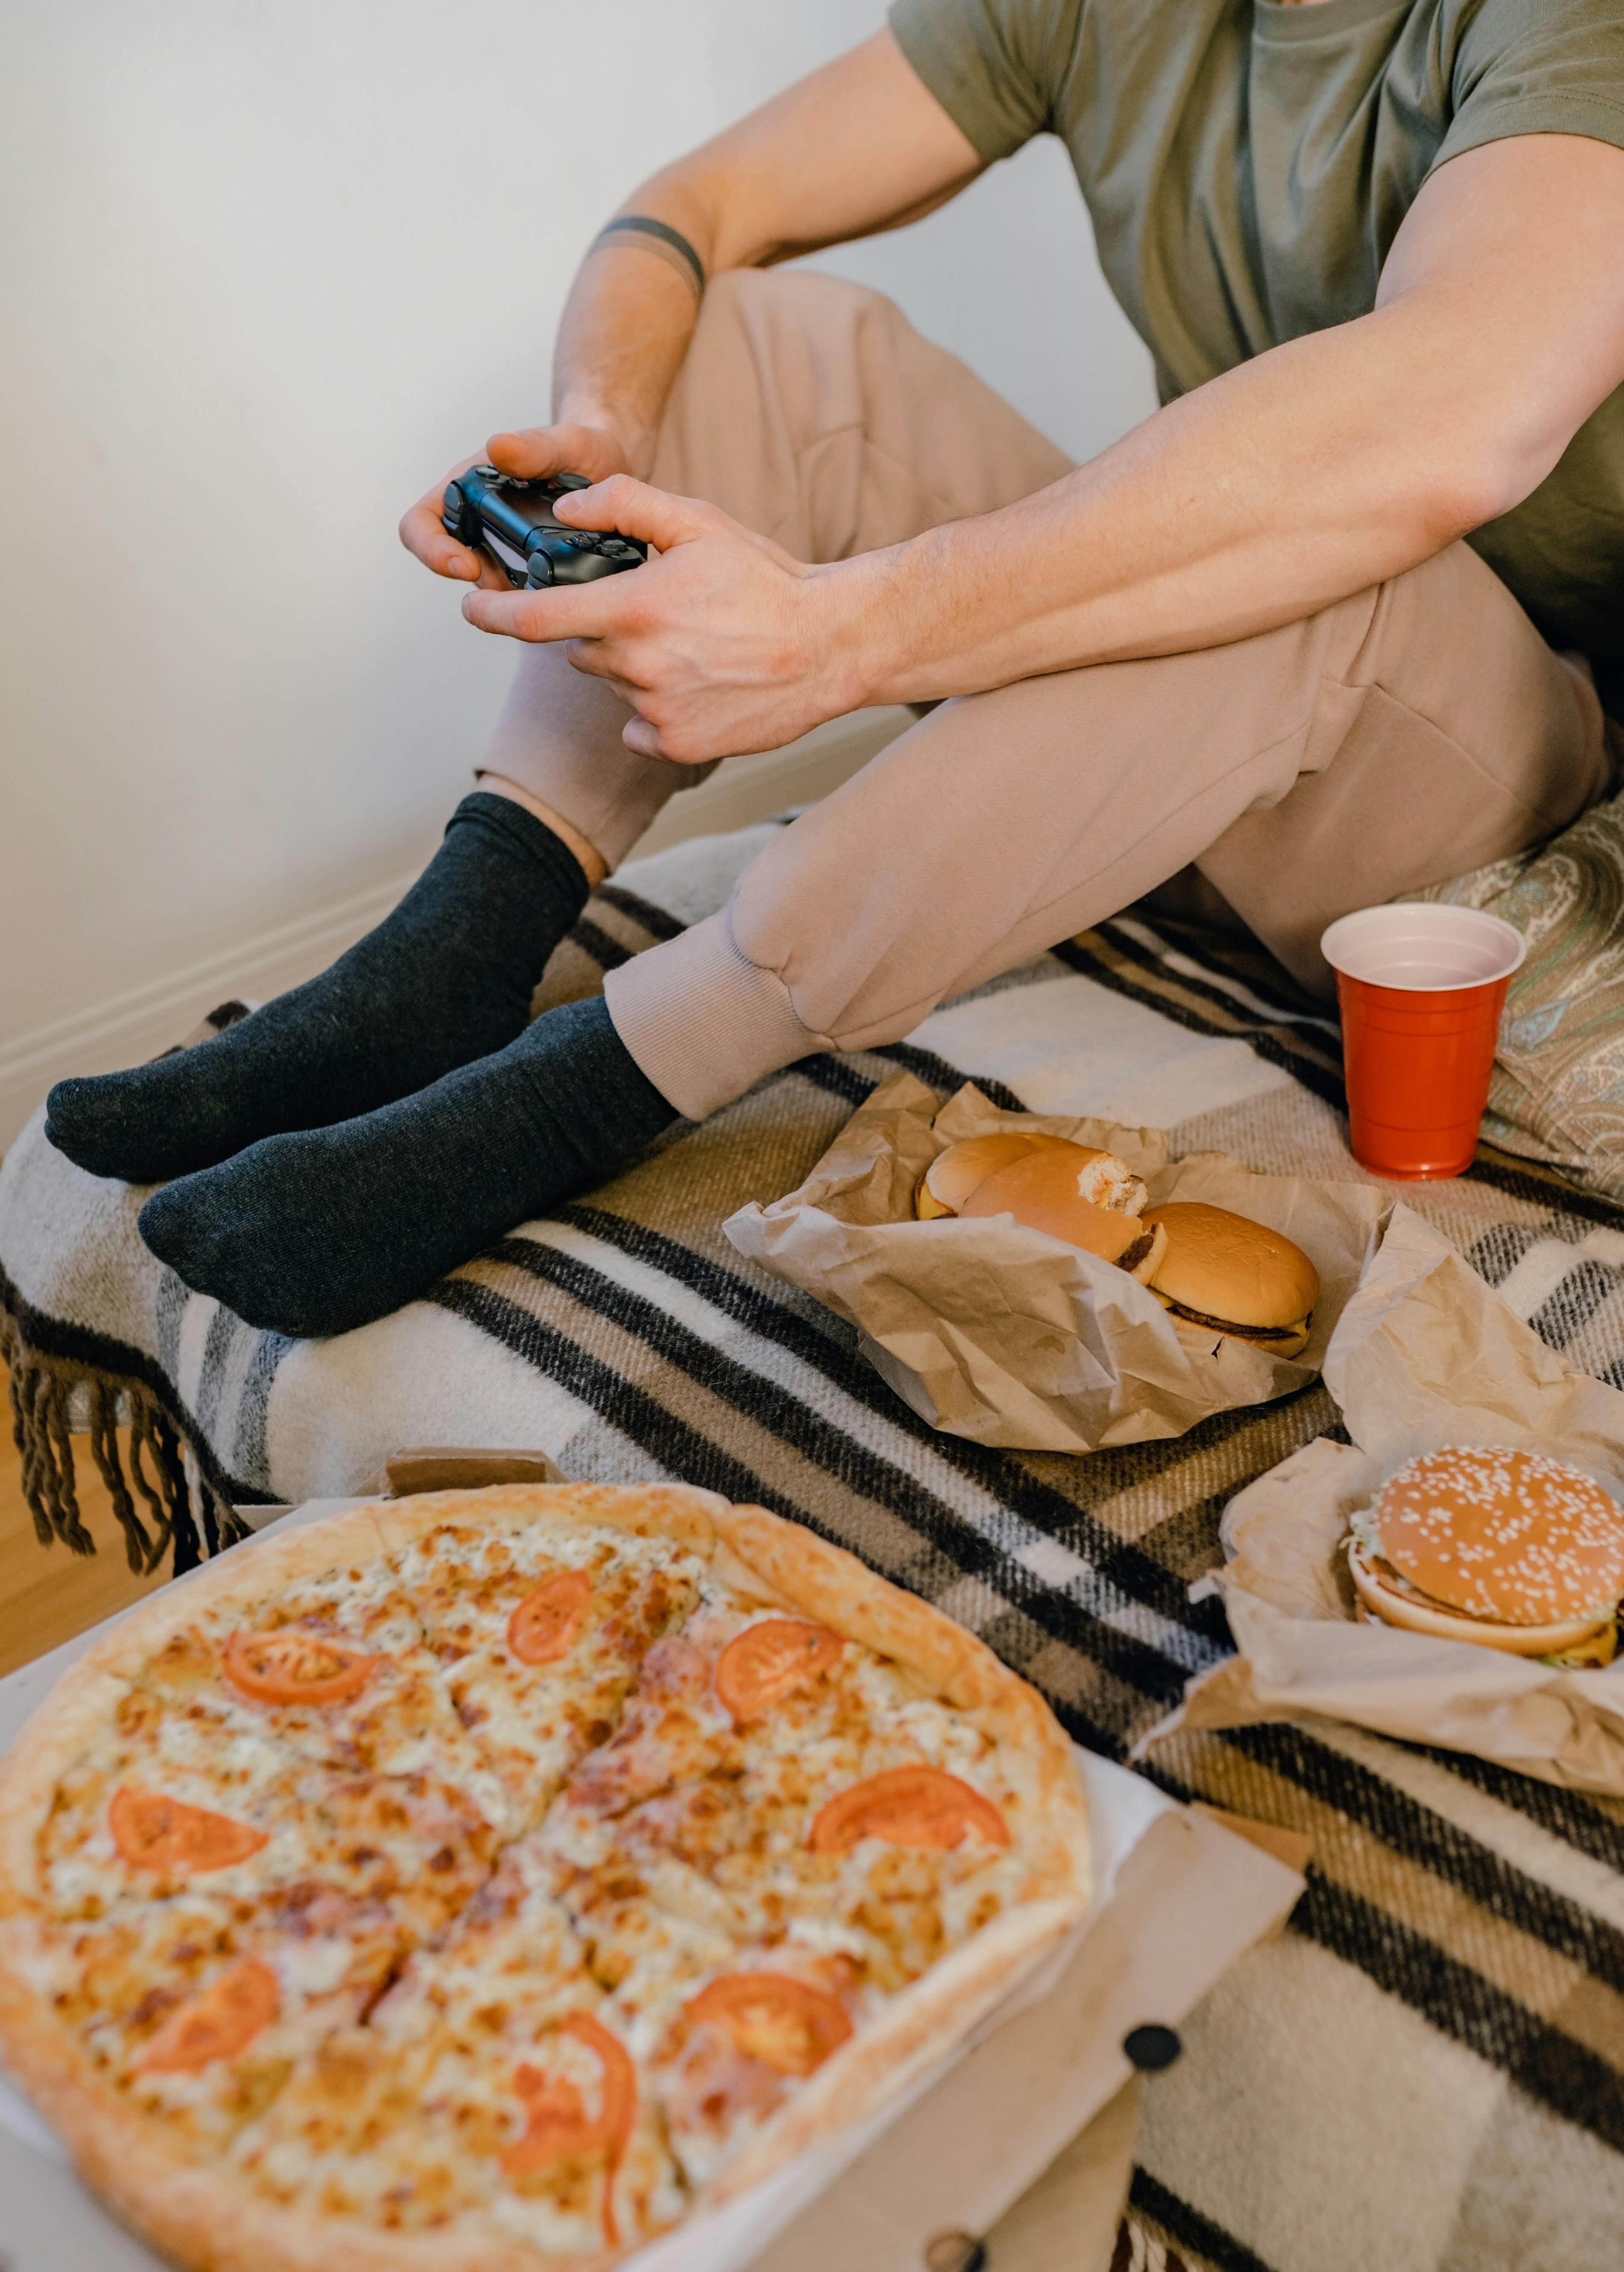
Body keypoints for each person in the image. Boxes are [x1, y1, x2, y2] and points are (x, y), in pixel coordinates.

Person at [45, 1, 1624, 1338]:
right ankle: (446, 960)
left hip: (1522, 815)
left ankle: (573, 1094)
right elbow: (695, 211)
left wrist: (842, 634)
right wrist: (600, 439)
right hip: (1235, 765)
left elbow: (1457, 412)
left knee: (1321, 553)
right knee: (771, 339)